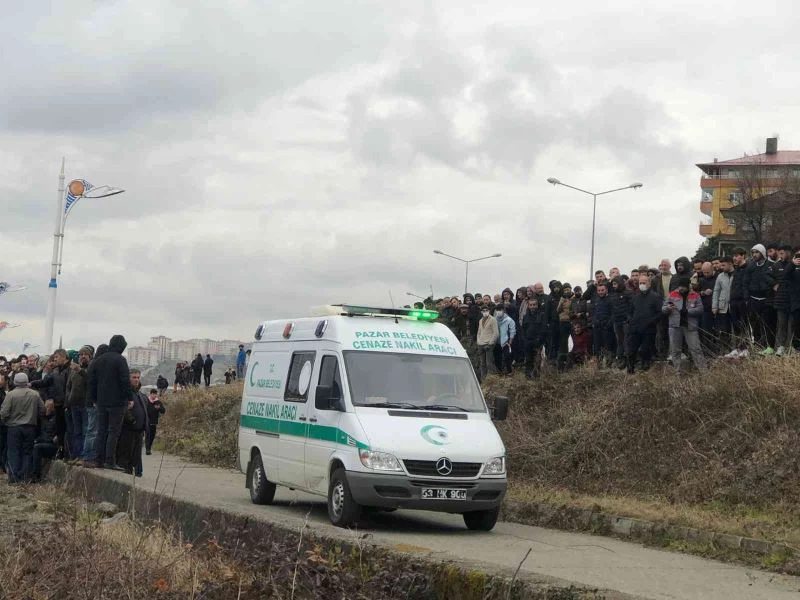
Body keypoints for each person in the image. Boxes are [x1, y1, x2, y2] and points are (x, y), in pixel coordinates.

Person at [89, 334, 130, 470]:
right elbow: (125, 381)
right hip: (117, 403)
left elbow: (93, 382)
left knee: (101, 431)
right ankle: (109, 460)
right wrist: (129, 398)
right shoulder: (120, 360)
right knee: (113, 431)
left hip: (101, 401)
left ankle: (98, 460)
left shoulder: (99, 360)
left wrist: (94, 398)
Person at [0, 373, 45, 483]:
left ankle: (14, 477)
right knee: (27, 452)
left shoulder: (10, 395)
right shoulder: (35, 394)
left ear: (15, 382)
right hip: (30, 427)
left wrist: (6, 421)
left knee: (13, 452)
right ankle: (25, 476)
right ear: (27, 381)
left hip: (13, 428)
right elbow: (42, 410)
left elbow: (4, 412)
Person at [30, 348, 71, 458]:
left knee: (68, 429)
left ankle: (68, 452)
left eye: (56, 357)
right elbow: (45, 382)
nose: (54, 360)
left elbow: (69, 388)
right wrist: (32, 383)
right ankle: (61, 451)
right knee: (60, 429)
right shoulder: (56, 371)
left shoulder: (69, 370)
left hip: (66, 405)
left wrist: (67, 403)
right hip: (58, 404)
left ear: (63, 356)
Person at [664, 276, 708, 373]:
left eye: (683, 286)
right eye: (680, 286)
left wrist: (688, 311)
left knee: (696, 349)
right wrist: (668, 308)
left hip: (690, 326)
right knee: (675, 350)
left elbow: (700, 309)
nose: (681, 288)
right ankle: (677, 371)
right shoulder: (672, 294)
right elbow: (663, 308)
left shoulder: (695, 295)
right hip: (675, 326)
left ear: (688, 286)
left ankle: (703, 371)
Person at [626, 273, 662, 373]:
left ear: (649, 283)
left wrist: (650, 322)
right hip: (635, 329)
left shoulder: (655, 297)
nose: (642, 284)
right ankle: (630, 369)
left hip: (648, 329)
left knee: (645, 350)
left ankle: (645, 366)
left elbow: (660, 313)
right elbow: (630, 312)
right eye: (640, 282)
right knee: (631, 350)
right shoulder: (635, 297)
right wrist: (630, 320)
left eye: (644, 282)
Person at [117, 369, 148, 476]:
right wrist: (131, 420)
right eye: (134, 377)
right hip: (127, 429)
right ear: (129, 378)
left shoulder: (140, 395)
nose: (136, 380)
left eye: (138, 377)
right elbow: (122, 409)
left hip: (139, 431)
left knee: (136, 456)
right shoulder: (125, 392)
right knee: (126, 455)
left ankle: (137, 473)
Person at [744, 243, 773, 352]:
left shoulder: (770, 265)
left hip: (766, 300)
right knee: (754, 324)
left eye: (757, 252)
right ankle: (756, 346)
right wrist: (747, 297)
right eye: (753, 252)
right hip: (753, 299)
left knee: (766, 325)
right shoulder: (750, 266)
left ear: (762, 253)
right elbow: (745, 283)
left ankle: (768, 347)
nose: (754, 255)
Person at [82, 344, 106, 467]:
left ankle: (87, 456)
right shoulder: (97, 365)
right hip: (94, 403)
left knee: (90, 430)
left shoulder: (92, 365)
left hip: (89, 401)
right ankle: (89, 456)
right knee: (93, 430)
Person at [768, 244, 793, 356]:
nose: (780, 256)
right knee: (781, 325)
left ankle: (789, 347)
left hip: (792, 301)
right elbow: (767, 276)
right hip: (780, 300)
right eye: (779, 253)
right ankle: (779, 347)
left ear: (788, 253)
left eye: (782, 253)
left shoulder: (793, 265)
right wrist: (774, 284)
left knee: (791, 326)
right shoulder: (776, 265)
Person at [712, 257, 734, 355]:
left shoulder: (737, 274)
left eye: (724, 265)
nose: (721, 267)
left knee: (736, 328)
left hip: (734, 306)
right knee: (724, 330)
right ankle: (725, 351)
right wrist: (714, 306)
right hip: (722, 307)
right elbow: (716, 291)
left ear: (730, 264)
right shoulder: (720, 276)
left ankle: (736, 350)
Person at [521, 297, 546, 378]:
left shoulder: (542, 315)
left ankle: (536, 376)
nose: (532, 307)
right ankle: (528, 376)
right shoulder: (525, 316)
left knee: (537, 360)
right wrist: (524, 340)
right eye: (531, 305)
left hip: (537, 341)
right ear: (528, 306)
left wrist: (539, 339)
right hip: (527, 341)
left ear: (537, 305)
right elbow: (523, 329)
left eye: (534, 305)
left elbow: (543, 329)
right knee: (528, 360)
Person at [33, 399, 58, 482]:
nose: (47, 409)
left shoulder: (56, 419)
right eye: (46, 406)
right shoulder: (42, 419)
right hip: (43, 441)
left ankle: (36, 475)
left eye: (49, 407)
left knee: (37, 448)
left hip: (51, 444)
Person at [697, 262, 717, 354]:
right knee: (706, 331)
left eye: (708, 272)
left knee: (717, 330)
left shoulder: (718, 278)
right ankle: (707, 351)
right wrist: (703, 293)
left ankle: (718, 350)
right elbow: (695, 294)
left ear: (712, 270)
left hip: (717, 308)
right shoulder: (700, 280)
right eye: (704, 272)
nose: (706, 274)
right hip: (705, 309)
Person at [476, 305, 499, 380]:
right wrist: (478, 341)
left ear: (489, 311)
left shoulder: (493, 319)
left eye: (486, 310)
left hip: (489, 344)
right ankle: (483, 380)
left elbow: (496, 333)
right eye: (483, 310)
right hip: (481, 344)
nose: (485, 312)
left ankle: (493, 379)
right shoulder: (480, 320)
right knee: (482, 364)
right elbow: (479, 332)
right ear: (481, 312)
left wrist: (490, 343)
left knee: (489, 363)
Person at [495, 304, 516, 375]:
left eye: (500, 310)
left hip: (506, 342)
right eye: (497, 310)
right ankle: (499, 371)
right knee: (497, 357)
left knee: (507, 357)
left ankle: (509, 371)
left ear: (503, 310)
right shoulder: (494, 319)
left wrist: (510, 340)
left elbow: (512, 330)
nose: (498, 312)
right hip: (496, 341)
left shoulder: (509, 320)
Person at [145, 388, 166, 455]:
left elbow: (163, 411)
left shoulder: (158, 402)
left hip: (154, 422)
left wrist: (159, 408)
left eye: (155, 394)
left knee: (152, 436)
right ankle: (147, 449)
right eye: (153, 394)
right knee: (148, 435)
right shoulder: (146, 401)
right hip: (146, 421)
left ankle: (149, 447)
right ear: (150, 394)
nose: (154, 396)